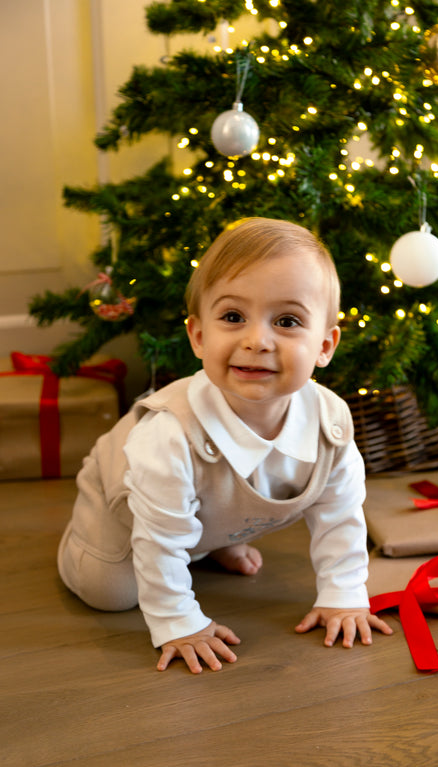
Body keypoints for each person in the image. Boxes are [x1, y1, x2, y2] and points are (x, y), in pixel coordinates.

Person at [58, 217, 392, 674]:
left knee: (224, 502)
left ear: (325, 345)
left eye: (288, 321)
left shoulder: (329, 423)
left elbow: (340, 515)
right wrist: (179, 621)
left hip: (207, 506)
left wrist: (343, 596)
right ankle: (81, 541)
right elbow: (158, 540)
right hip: (124, 505)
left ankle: (207, 541)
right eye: (233, 317)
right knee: (111, 593)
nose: (257, 341)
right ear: (199, 335)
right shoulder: (170, 436)